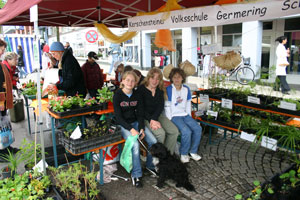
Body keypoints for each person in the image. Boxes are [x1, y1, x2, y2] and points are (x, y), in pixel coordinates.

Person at [113, 70, 157, 188]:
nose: (130, 83)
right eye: (127, 80)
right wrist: (130, 129)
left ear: (136, 83)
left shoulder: (137, 95)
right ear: (122, 81)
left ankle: (149, 166)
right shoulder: (117, 95)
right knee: (135, 145)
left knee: (153, 141)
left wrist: (142, 128)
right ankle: (136, 174)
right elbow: (118, 117)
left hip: (136, 123)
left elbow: (140, 113)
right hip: (123, 125)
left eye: (133, 81)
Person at [165, 68, 202, 163]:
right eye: (174, 77)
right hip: (174, 116)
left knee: (198, 128)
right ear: (171, 78)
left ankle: (193, 151)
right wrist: (169, 118)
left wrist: (189, 116)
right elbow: (167, 105)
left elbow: (188, 103)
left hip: (185, 115)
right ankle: (184, 153)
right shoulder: (169, 89)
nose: (177, 79)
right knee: (186, 131)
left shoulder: (186, 89)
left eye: (179, 77)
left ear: (182, 78)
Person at [139, 67, 179, 155]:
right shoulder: (141, 89)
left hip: (157, 116)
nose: (155, 81)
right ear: (148, 78)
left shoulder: (160, 89)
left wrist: (154, 118)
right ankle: (156, 159)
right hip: (145, 117)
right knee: (161, 133)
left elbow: (160, 106)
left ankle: (167, 156)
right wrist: (151, 120)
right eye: (152, 78)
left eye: (158, 78)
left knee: (174, 131)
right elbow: (141, 109)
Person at [0, 39, 19, 161]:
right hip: (0, 100)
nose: (3, 51)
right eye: (2, 48)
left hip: (3, 99)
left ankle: (7, 147)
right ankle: (1, 152)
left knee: (4, 125)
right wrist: (1, 101)